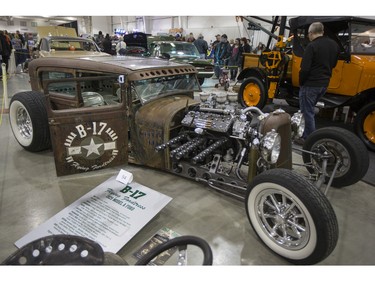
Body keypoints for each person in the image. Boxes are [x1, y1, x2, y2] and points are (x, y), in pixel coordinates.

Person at [296, 22, 339, 145]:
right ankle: (306, 135)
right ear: (322, 32)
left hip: (310, 84)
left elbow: (305, 69)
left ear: (310, 33)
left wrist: (301, 82)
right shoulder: (334, 45)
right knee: (309, 110)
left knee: (307, 112)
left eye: (308, 34)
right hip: (324, 84)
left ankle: (309, 140)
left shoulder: (312, 46)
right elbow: (334, 64)